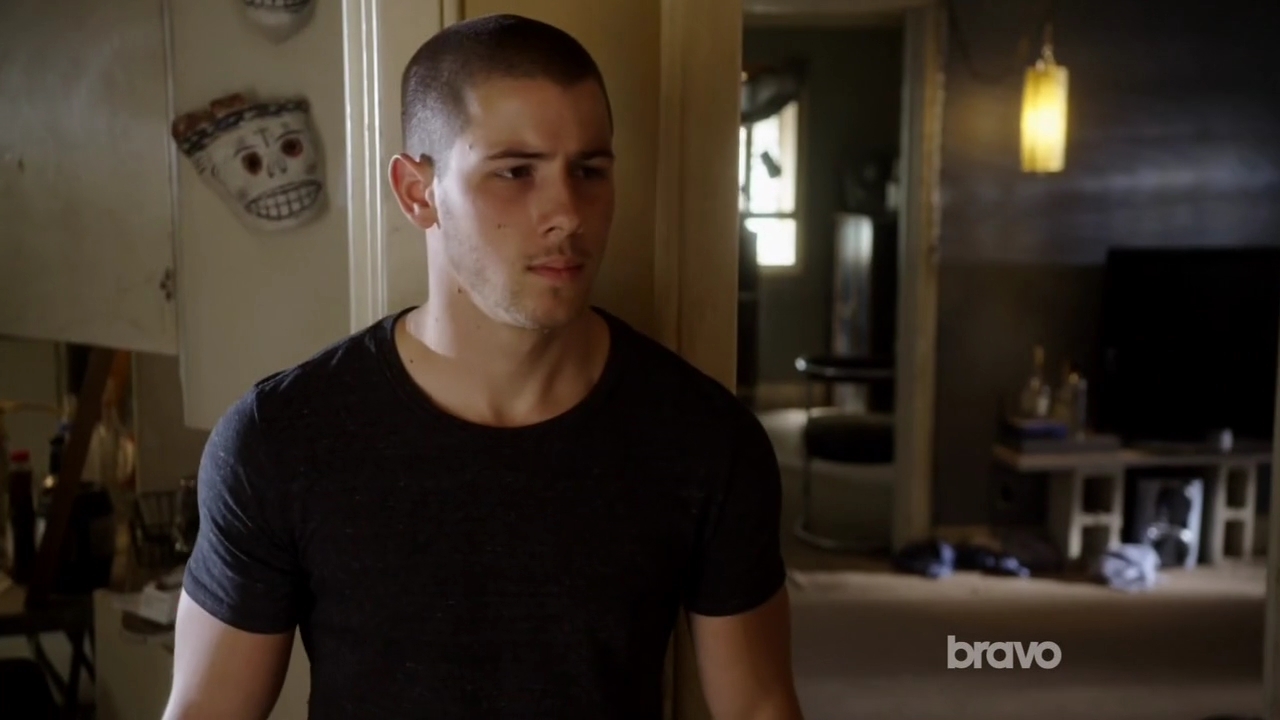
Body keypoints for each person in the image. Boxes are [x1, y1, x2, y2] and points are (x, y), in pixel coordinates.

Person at [163, 13, 802, 720]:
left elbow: (760, 707)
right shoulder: (280, 440)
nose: (568, 214)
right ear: (418, 192)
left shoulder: (705, 441)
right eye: (515, 172)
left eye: (589, 171)